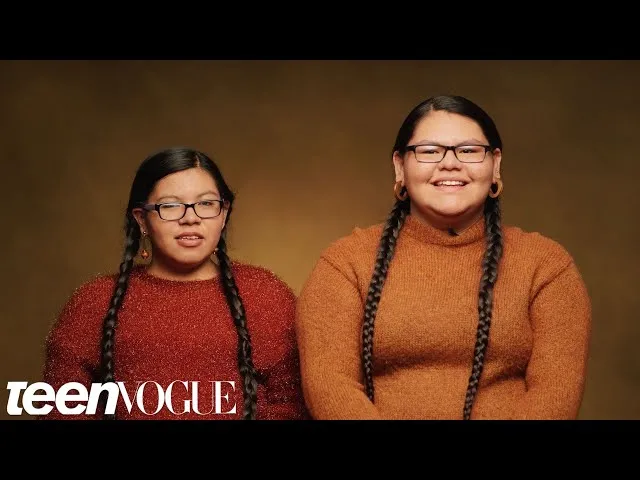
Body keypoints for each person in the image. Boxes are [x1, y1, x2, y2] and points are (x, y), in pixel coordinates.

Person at [295, 95, 592, 420]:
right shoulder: (345, 264)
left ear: (495, 164)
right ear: (400, 166)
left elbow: (554, 395)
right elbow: (329, 386)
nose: (450, 163)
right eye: (429, 151)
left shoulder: (546, 267)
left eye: (468, 150)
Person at [42, 147, 307, 420]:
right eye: (170, 205)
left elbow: (292, 404)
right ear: (142, 219)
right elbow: (61, 407)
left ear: (224, 213)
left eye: (206, 204)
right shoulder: (94, 302)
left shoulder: (265, 296)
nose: (190, 218)